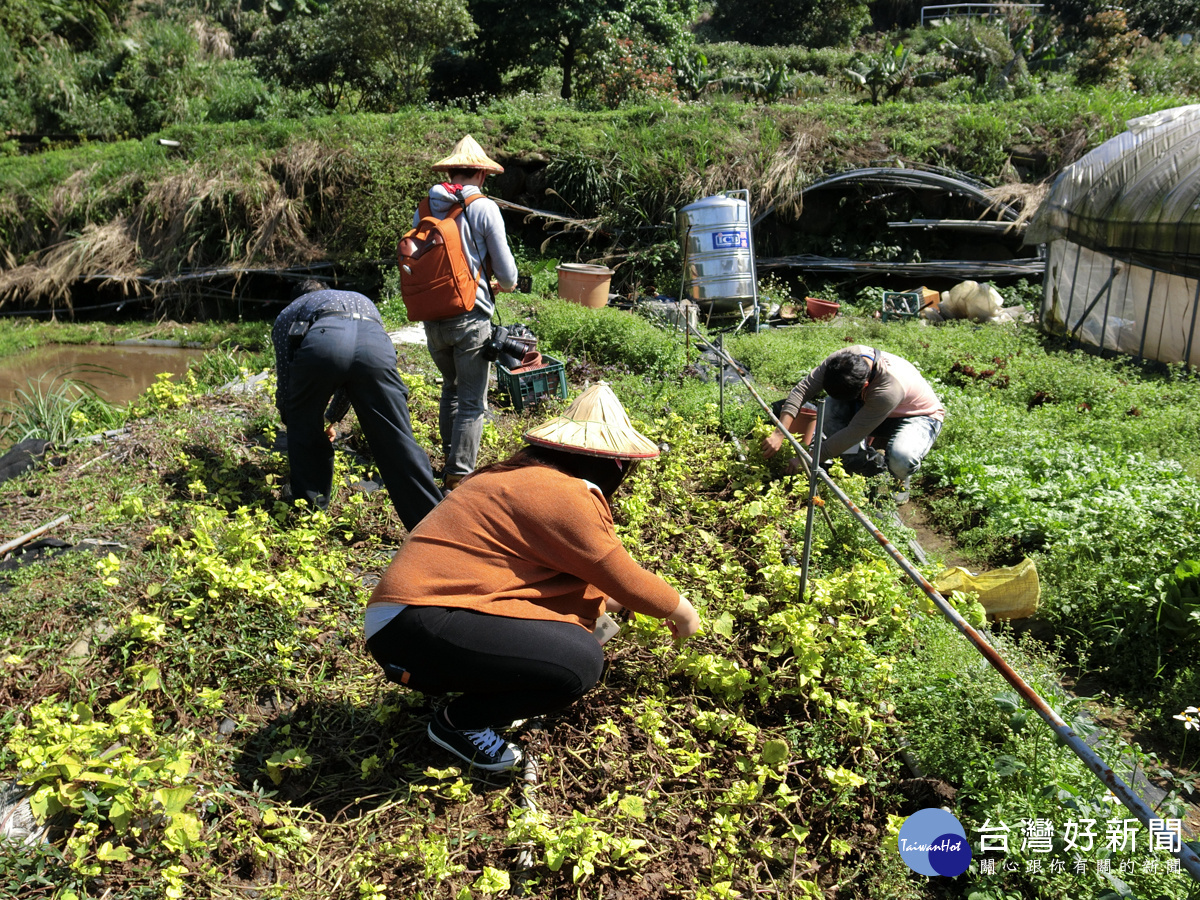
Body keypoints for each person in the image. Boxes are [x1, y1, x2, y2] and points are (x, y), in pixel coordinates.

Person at [364, 382, 701, 772]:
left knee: (568, 640)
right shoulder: (566, 493)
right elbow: (622, 575)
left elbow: (552, 575)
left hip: (408, 619)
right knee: (579, 661)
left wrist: (603, 604)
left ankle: (486, 688)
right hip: (417, 624)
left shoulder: (520, 475)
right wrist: (682, 612)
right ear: (613, 464)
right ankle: (458, 724)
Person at [271, 279, 443, 531]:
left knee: (303, 425)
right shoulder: (359, 298)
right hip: (375, 347)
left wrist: (297, 416)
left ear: (296, 298)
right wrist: (332, 418)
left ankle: (309, 512)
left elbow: (288, 376)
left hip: (323, 343)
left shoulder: (291, 311)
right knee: (397, 438)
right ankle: (432, 524)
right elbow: (353, 371)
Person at [417, 134, 519, 491]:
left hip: (432, 317)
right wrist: (502, 283)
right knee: (473, 402)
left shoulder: (426, 208)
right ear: (480, 174)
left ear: (451, 171)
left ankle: (449, 459)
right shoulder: (483, 207)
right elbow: (508, 275)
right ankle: (458, 478)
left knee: (451, 389)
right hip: (470, 318)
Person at [761, 345, 945, 494]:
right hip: (873, 408)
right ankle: (860, 464)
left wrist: (806, 459)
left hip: (918, 416)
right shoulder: (842, 361)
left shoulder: (887, 390)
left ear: (864, 385)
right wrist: (779, 433)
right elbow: (802, 390)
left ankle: (898, 479)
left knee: (902, 458)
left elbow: (852, 434)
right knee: (831, 407)